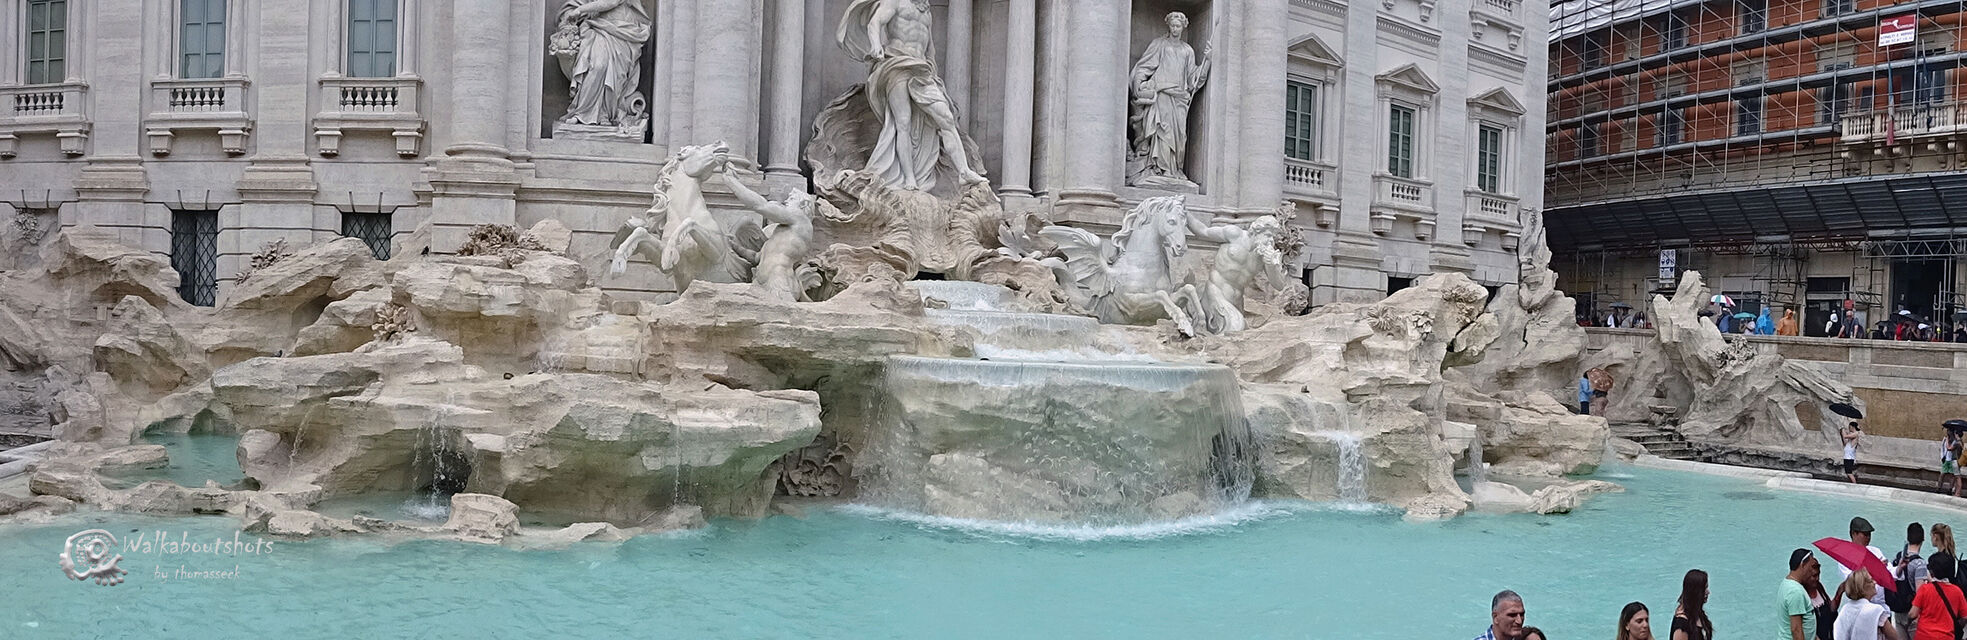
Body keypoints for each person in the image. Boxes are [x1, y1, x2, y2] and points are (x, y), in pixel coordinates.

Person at [1909, 551, 1967, 640]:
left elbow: (1913, 614)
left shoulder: (1925, 589)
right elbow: (1964, 617)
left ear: (1931, 572)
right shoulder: (1957, 591)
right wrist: (1954, 627)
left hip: (1924, 635)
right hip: (1946, 636)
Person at [1835, 569, 1903, 640]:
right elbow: (1894, 637)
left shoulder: (1845, 609)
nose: (1875, 582)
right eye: (1871, 581)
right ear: (1863, 587)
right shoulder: (1876, 610)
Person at [1890, 523, 1930, 634]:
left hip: (1898, 610)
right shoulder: (1919, 563)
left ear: (1908, 538)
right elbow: (1920, 592)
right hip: (1912, 611)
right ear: (1923, 539)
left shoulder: (1899, 557)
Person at [1790, 549, 1826, 640]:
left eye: (1818, 575)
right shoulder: (1800, 593)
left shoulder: (1819, 587)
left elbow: (1831, 610)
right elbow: (1797, 629)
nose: (1817, 579)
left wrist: (1840, 592)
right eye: (1814, 576)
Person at [1672, 569, 1714, 640]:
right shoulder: (1682, 624)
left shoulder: (1699, 615)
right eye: (1704, 588)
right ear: (1696, 592)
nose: (1708, 592)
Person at [1944, 432, 1963, 497]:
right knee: (1956, 477)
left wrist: (1947, 440)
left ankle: (1958, 493)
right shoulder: (1961, 442)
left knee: (1958, 477)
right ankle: (1956, 492)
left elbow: (1949, 448)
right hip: (1958, 460)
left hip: (1955, 461)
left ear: (1957, 434)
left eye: (1955, 433)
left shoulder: (1957, 443)